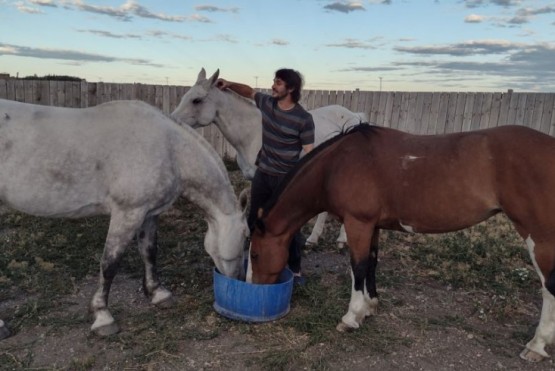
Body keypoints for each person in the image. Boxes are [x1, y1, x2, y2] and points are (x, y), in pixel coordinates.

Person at [217, 68, 315, 284]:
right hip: (264, 174)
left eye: (278, 83)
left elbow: (310, 153)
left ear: (290, 88)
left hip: (286, 180)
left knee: (289, 225)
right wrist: (229, 84)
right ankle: (256, 259)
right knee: (255, 219)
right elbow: (250, 92)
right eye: (274, 81)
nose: (273, 86)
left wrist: (306, 183)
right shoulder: (267, 104)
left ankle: (295, 268)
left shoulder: (303, 119)